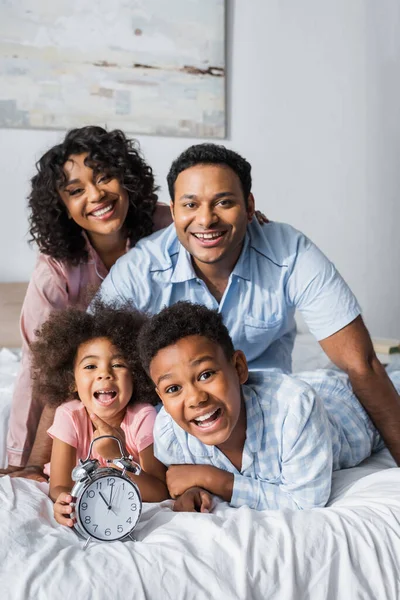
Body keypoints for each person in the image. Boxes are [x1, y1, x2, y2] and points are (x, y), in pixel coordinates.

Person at [96, 142, 400, 464]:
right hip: (189, 419)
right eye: (190, 205)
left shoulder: (289, 252)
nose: (206, 219)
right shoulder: (142, 268)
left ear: (249, 206)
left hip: (274, 412)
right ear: (173, 213)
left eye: (224, 202)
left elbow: (361, 364)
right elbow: (89, 362)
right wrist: (37, 462)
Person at [3, 125, 171, 478]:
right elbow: (37, 364)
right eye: (76, 190)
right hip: (94, 385)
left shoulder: (168, 225)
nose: (95, 196)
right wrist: (24, 462)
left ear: (127, 180)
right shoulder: (56, 268)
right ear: (62, 206)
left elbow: (211, 226)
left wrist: (253, 225)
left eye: (105, 177)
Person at [138, 302, 397, 512]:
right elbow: (183, 481)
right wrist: (194, 491)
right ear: (160, 396)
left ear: (239, 367)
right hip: (293, 387)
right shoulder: (170, 434)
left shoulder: (295, 411)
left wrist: (217, 481)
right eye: (173, 389)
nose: (195, 398)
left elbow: (305, 502)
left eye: (206, 374)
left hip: (345, 402)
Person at [30, 299, 168, 527]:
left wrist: (116, 457)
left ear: (135, 374)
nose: (105, 374)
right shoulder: (69, 415)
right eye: (90, 366)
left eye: (118, 365)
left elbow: (159, 491)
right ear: (71, 381)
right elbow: (59, 485)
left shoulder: (143, 417)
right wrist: (65, 502)